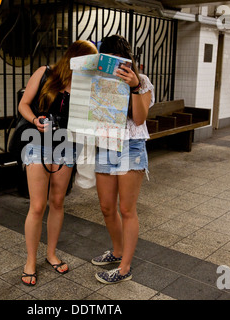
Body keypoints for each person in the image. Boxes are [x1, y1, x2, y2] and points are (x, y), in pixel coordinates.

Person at [18, 40, 98, 286]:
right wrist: (35, 120)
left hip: (67, 146)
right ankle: (30, 260)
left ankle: (51, 254)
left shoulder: (87, 86)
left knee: (58, 202)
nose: (92, 67)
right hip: (38, 143)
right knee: (38, 205)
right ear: (76, 58)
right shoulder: (45, 73)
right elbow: (23, 104)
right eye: (90, 62)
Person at [91, 35, 154, 284]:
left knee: (126, 209)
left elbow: (139, 119)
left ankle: (125, 268)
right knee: (107, 207)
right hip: (106, 143)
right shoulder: (99, 80)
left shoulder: (142, 81)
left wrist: (134, 86)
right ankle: (117, 251)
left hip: (132, 145)